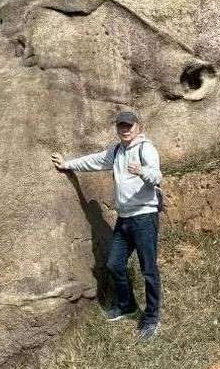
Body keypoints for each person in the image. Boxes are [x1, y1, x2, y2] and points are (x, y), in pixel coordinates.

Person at [51, 110, 162, 339]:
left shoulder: (145, 148)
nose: (126, 129)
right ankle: (127, 305)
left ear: (138, 127)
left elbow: (157, 176)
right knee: (114, 263)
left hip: (144, 217)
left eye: (129, 125)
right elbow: (94, 160)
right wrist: (67, 164)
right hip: (124, 219)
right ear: (117, 128)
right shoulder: (116, 151)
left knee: (148, 269)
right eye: (122, 126)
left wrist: (142, 171)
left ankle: (151, 318)